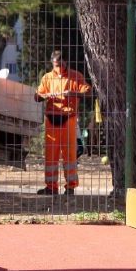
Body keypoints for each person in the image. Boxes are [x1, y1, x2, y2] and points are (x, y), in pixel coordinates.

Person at [34, 50, 91, 195]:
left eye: (60, 64)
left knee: (69, 155)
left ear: (65, 62)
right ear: (52, 63)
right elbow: (37, 96)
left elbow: (88, 91)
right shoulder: (47, 78)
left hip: (68, 119)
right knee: (50, 155)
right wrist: (46, 95)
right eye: (55, 65)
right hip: (51, 119)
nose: (58, 68)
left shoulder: (75, 76)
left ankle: (70, 187)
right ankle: (51, 187)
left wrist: (73, 94)